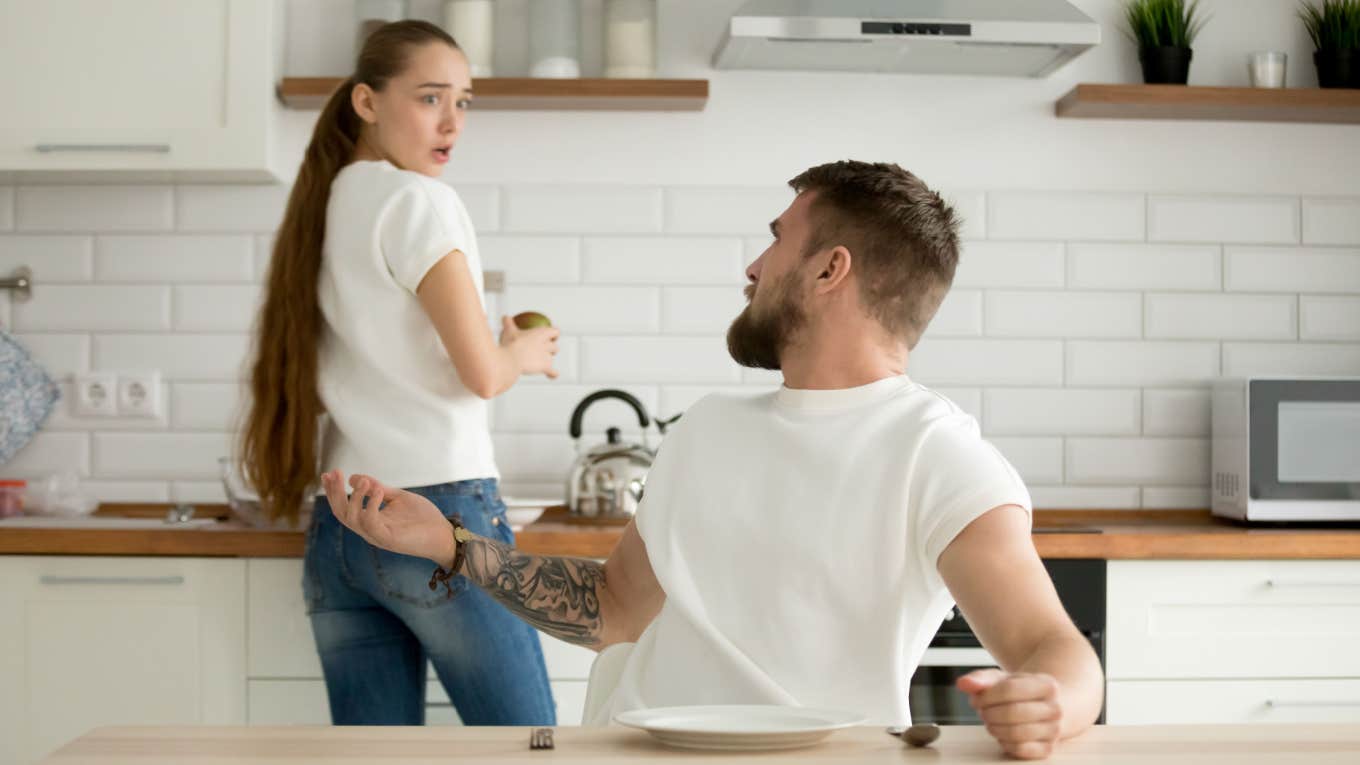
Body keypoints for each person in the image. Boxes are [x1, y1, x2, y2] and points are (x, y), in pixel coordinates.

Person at [319, 160, 1104, 759]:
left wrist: (1053, 702)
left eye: (775, 240)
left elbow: (1054, 648)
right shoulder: (707, 427)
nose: (754, 268)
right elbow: (613, 607)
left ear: (831, 269)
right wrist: (450, 544)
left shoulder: (935, 450)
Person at [238, 20, 561, 726]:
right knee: (528, 745)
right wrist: (525, 354)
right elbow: (481, 372)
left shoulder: (324, 208)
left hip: (342, 525)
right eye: (430, 98)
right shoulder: (419, 201)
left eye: (464, 102)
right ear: (366, 102)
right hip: (437, 515)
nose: (452, 122)